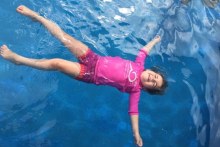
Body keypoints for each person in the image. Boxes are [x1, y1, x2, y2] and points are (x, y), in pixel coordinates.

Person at [0, 5, 167, 147]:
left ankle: (18, 60)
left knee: (56, 64)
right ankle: (37, 17)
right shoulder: (139, 64)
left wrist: (136, 133)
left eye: (153, 83)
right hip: (93, 58)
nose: (152, 78)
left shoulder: (135, 90)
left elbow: (133, 111)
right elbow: (144, 51)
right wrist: (154, 41)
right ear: (151, 70)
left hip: (89, 74)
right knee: (63, 37)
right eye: (154, 76)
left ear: (147, 88)